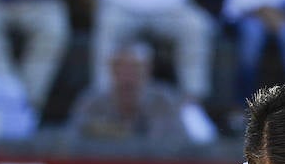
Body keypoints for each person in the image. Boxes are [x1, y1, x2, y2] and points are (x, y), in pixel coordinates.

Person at [83, 0, 218, 142]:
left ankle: (191, 107)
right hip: (118, 3)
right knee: (106, 29)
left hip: (169, 4)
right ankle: (104, 106)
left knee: (197, 27)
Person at [65, 39, 194, 143]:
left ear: (148, 70)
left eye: (135, 68)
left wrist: (119, 133)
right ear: (112, 70)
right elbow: (72, 140)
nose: (128, 75)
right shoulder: (92, 101)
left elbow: (174, 145)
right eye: (121, 68)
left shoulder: (163, 101)